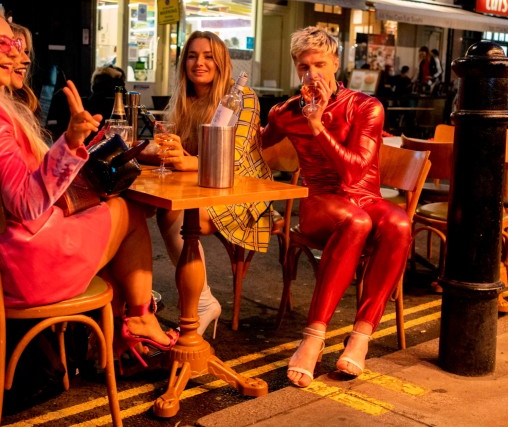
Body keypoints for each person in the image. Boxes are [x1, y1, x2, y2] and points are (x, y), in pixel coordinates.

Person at [0, 0, 177, 368]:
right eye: (4, 41)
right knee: (128, 213)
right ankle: (137, 322)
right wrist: (70, 142)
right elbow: (27, 203)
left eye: (17, 42)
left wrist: (74, 150)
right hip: (18, 269)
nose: (17, 52)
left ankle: (111, 341)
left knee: (108, 225)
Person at [261, 26, 412, 388]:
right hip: (320, 203)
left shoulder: (365, 106)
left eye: (320, 64)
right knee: (356, 222)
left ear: (336, 64)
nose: (312, 75)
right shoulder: (286, 112)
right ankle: (313, 338)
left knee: (400, 223)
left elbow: (354, 170)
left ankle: (360, 337)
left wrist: (317, 125)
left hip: (365, 198)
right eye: (303, 67)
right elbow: (255, 147)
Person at [141, 30, 273, 338]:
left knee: (173, 214)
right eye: (192, 55)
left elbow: (236, 159)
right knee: (130, 206)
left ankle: (202, 303)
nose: (199, 62)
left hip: (242, 192)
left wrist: (188, 161)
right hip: (199, 187)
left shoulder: (242, 97)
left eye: (208, 56)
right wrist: (164, 149)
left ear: (222, 62)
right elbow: (180, 151)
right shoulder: (185, 99)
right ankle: (137, 302)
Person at [8, 21, 41, 116]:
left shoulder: (27, 101)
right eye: (16, 50)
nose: (27, 60)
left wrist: (73, 131)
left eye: (26, 52)